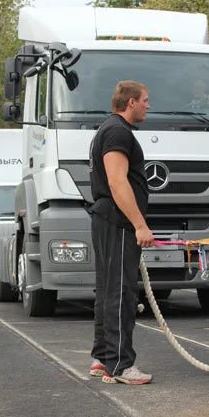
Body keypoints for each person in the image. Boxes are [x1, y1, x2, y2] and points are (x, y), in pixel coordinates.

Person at [88, 80, 154, 385]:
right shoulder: (117, 132)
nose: (148, 105)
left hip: (109, 219)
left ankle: (102, 359)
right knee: (120, 293)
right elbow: (117, 182)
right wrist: (139, 224)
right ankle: (120, 365)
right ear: (130, 103)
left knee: (107, 290)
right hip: (118, 221)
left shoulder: (111, 129)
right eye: (144, 100)